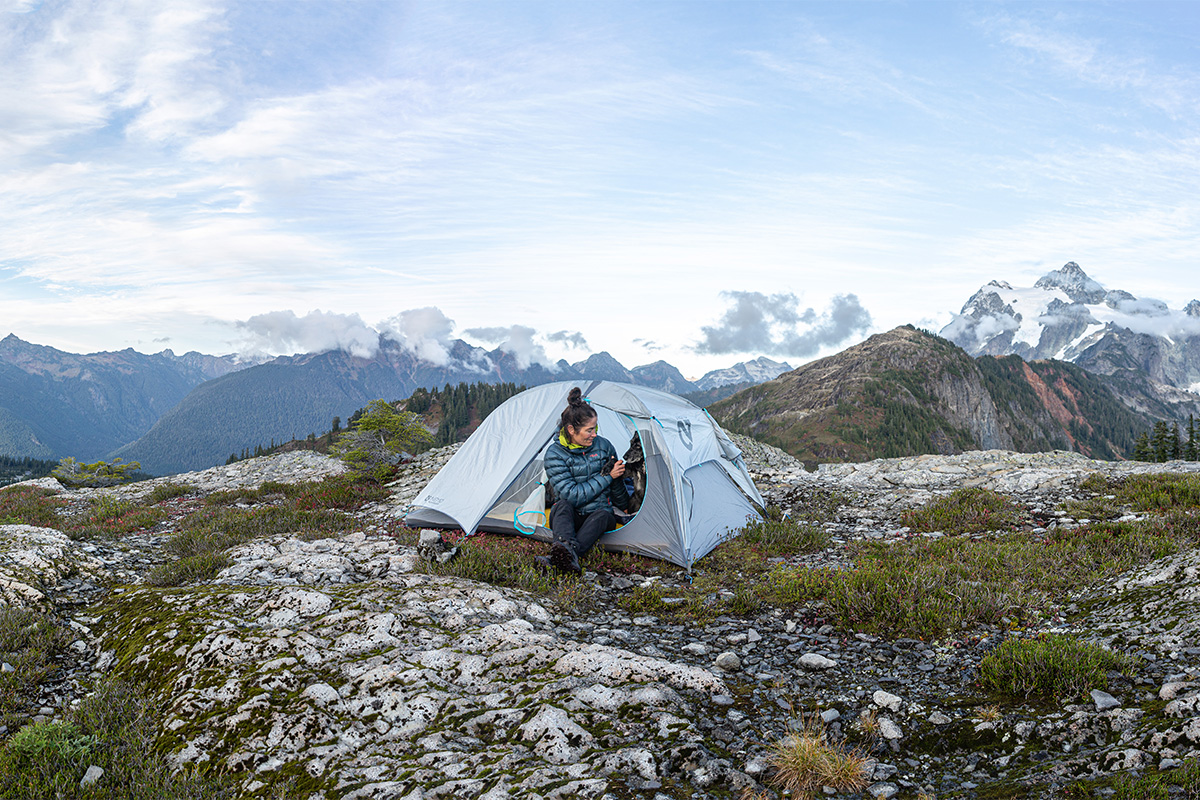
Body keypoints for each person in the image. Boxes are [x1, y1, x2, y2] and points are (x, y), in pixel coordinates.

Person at [537, 387, 629, 574]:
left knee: (603, 515)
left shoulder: (604, 446)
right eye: (589, 430)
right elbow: (571, 496)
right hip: (572, 514)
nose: (594, 434)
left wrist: (624, 505)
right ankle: (569, 558)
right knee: (561, 506)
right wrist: (607, 476)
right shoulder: (555, 454)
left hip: (599, 514)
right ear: (571, 429)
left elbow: (617, 481)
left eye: (595, 428)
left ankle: (561, 557)